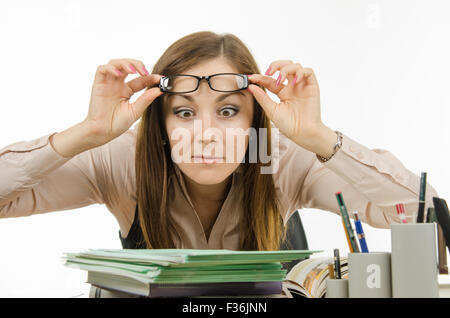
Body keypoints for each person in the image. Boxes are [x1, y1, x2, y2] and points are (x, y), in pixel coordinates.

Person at [0, 31, 438, 251]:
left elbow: (421, 215)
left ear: (255, 121)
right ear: (160, 122)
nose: (206, 133)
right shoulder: (121, 161)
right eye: (184, 112)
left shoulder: (284, 160)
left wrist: (320, 138)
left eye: (228, 111)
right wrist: (86, 133)